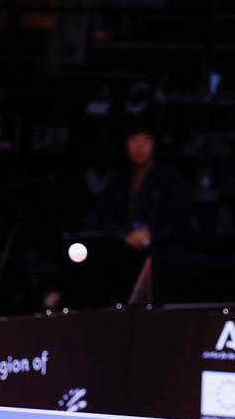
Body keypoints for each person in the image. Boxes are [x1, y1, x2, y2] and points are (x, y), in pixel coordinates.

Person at [81, 126, 192, 303]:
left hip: (161, 253)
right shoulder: (118, 179)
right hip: (123, 252)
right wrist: (124, 235)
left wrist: (151, 237)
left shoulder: (170, 179)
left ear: (154, 144)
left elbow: (181, 221)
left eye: (145, 140)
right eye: (134, 140)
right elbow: (102, 217)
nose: (139, 146)